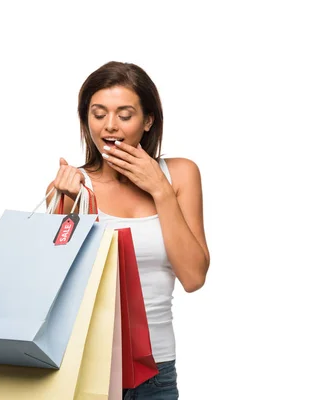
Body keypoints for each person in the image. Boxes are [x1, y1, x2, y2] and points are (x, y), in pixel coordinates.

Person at [46, 61, 210, 399]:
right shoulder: (72, 185)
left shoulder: (180, 174)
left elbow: (193, 277)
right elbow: (54, 289)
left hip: (157, 372)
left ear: (148, 120)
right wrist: (78, 207)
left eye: (124, 115)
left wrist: (160, 190)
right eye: (98, 113)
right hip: (84, 368)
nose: (110, 127)